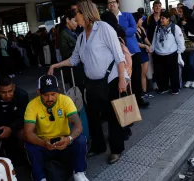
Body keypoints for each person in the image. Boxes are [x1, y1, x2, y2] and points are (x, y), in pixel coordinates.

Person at [48, 0, 129, 164]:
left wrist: (122, 79)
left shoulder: (104, 28)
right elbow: (74, 59)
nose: (75, 17)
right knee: (93, 117)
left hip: (111, 80)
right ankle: (98, 146)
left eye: (76, 13)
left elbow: (119, 55)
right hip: (92, 83)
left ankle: (116, 149)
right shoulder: (81, 36)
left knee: (114, 117)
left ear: (85, 13)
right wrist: (56, 65)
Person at [23, 75, 88, 181]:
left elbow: (78, 125)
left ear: (58, 91)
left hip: (64, 142)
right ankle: (40, 178)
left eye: (53, 94)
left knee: (80, 139)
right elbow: (28, 132)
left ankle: (79, 172)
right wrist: (43, 143)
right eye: (45, 95)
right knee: (30, 145)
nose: (50, 98)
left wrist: (68, 139)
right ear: (39, 92)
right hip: (44, 143)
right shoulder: (32, 105)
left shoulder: (65, 100)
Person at [107, 0, 148, 107]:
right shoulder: (107, 19)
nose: (111, 4)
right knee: (124, 79)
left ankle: (138, 100)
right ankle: (128, 104)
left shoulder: (127, 15)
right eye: (109, 3)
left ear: (118, 4)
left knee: (136, 77)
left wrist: (120, 31)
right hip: (118, 55)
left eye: (113, 2)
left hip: (133, 51)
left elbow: (133, 29)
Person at [151, 11, 186, 94]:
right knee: (161, 73)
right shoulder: (157, 28)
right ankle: (163, 88)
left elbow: (180, 41)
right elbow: (154, 40)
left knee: (173, 72)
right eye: (160, 18)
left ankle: (175, 89)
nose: (161, 20)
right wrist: (152, 49)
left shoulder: (175, 27)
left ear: (168, 19)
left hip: (171, 53)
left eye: (163, 18)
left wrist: (179, 51)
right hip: (159, 54)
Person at [132, 12, 155, 98]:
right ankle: (140, 92)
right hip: (138, 52)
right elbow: (135, 42)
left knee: (144, 73)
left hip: (144, 52)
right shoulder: (132, 30)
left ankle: (145, 92)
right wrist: (146, 46)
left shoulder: (141, 28)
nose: (142, 20)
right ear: (136, 20)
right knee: (139, 73)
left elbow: (145, 38)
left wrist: (150, 45)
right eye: (141, 19)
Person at [178, 6, 194, 89]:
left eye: (180, 11)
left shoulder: (191, 20)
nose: (179, 13)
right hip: (182, 46)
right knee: (185, 63)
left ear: (184, 12)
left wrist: (186, 24)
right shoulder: (178, 21)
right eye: (178, 11)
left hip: (191, 45)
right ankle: (188, 80)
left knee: (191, 63)